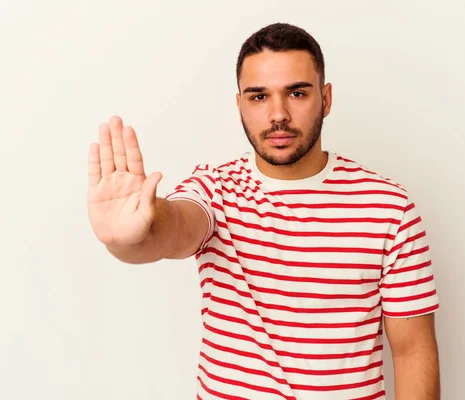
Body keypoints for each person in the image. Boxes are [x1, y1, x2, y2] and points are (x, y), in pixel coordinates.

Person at [87, 22, 441, 400]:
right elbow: (169, 230)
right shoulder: (215, 189)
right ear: (239, 104)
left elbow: (412, 350)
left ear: (326, 98)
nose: (278, 114)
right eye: (259, 97)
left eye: (297, 93)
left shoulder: (388, 206)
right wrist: (128, 238)